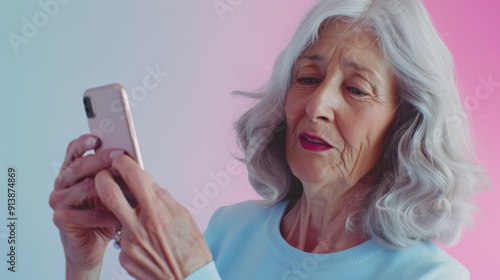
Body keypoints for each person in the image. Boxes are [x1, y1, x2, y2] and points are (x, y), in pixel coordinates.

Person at [49, 0, 487, 279]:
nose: (316, 106)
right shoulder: (228, 230)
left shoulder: (430, 277)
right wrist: (84, 267)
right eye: (307, 78)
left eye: (355, 89)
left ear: (405, 123)